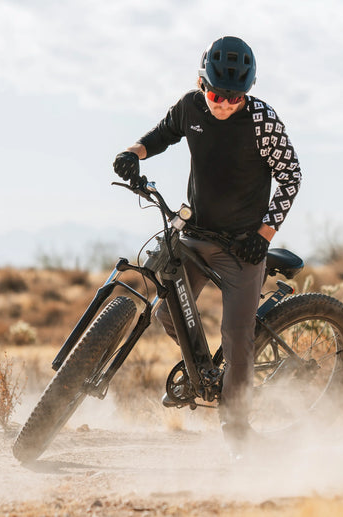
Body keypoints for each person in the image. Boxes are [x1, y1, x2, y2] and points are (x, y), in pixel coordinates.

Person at [113, 36, 301, 449]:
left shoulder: (262, 122)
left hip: (243, 247)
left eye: (235, 97)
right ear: (202, 84)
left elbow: (291, 177)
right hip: (196, 236)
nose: (224, 104)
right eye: (217, 94)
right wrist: (134, 153)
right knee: (167, 313)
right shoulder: (190, 107)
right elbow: (164, 133)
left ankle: (236, 432)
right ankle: (202, 370)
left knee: (237, 337)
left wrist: (263, 235)